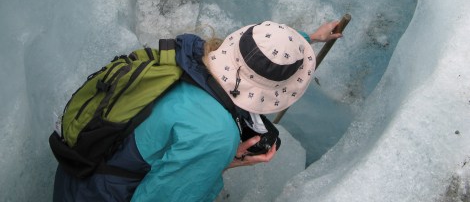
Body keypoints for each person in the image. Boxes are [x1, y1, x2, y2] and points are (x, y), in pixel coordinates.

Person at [53, 20, 342, 202]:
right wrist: (222, 163)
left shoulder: (190, 59)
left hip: (78, 173)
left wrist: (309, 38)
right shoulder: (215, 136)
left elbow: (259, 57)